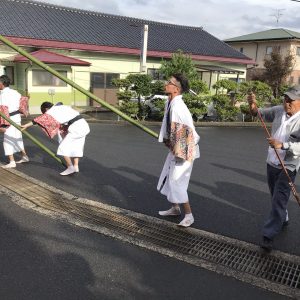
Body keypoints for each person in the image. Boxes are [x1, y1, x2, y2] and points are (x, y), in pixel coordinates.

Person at [248, 86, 300, 251]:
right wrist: (252, 105)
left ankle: (268, 235)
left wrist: (282, 144)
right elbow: (258, 113)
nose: (287, 103)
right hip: (272, 161)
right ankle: (282, 217)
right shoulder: (279, 111)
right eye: (285, 99)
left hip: (288, 166)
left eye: (291, 100)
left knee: (279, 198)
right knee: (275, 195)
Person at [157, 74, 200, 227]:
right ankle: (175, 208)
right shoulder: (171, 102)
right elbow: (170, 127)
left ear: (176, 89)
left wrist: (176, 148)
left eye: (169, 82)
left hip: (184, 149)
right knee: (169, 176)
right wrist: (167, 140)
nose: (166, 84)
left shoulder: (177, 105)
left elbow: (183, 131)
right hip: (177, 146)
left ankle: (189, 215)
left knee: (177, 180)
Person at [22, 102, 90, 176]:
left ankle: (70, 167)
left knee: (63, 147)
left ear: (46, 109)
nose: (46, 114)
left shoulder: (52, 111)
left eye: (44, 112)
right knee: (77, 147)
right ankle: (76, 166)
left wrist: (26, 125)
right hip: (84, 125)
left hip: (76, 128)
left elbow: (39, 120)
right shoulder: (62, 107)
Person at [0, 75, 29, 168]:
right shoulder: (15, 92)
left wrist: (2, 124)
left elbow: (2, 109)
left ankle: (12, 162)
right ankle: (25, 156)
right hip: (16, 117)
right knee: (17, 137)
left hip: (9, 118)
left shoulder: (3, 95)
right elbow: (22, 102)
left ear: (2, 83)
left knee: (7, 139)